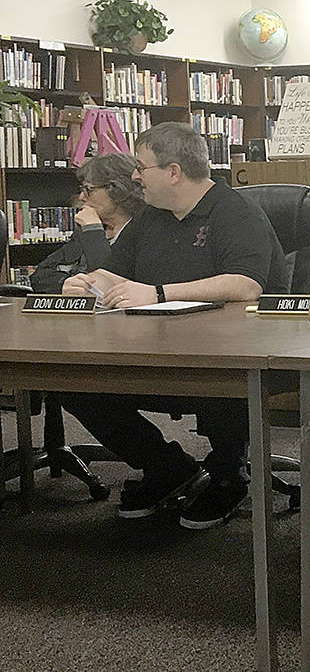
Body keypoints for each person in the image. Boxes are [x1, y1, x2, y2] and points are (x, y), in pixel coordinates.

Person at [61, 122, 288, 530]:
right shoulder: (151, 218)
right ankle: (165, 466)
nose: (134, 177)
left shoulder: (236, 213)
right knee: (69, 378)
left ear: (173, 172)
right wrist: (84, 283)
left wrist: (158, 292)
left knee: (223, 373)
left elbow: (245, 284)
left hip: (229, 353)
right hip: (151, 347)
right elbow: (113, 274)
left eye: (140, 167)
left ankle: (228, 474)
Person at [28, 152, 144, 293]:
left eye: (89, 189)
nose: (82, 197)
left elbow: (111, 279)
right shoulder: (86, 230)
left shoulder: (143, 230)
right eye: (82, 189)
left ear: (118, 190)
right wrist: (64, 284)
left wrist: (93, 231)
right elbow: (40, 275)